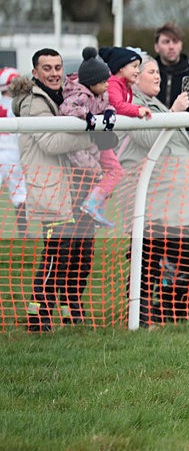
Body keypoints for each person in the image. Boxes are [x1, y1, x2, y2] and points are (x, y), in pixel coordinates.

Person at [11, 48, 108, 331]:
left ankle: (71, 311)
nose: (54, 73)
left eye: (57, 67)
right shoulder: (32, 103)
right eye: (47, 68)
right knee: (57, 256)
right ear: (35, 73)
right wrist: (94, 136)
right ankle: (38, 318)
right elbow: (51, 144)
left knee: (81, 253)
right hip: (51, 191)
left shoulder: (66, 96)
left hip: (76, 188)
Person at [116, 55, 189, 327]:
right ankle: (143, 317)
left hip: (176, 206)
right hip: (152, 205)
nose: (157, 76)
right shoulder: (131, 102)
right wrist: (174, 112)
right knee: (147, 265)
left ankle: (166, 313)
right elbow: (145, 137)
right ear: (135, 76)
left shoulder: (155, 104)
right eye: (151, 71)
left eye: (158, 72)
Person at [59, 47, 123, 228]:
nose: (107, 85)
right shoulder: (78, 95)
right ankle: (91, 206)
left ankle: (94, 208)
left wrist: (110, 113)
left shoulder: (100, 94)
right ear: (91, 82)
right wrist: (86, 115)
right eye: (103, 81)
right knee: (96, 173)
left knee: (100, 173)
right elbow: (66, 109)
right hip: (78, 147)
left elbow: (108, 104)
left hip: (92, 144)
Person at [153, 22, 189, 158]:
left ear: (181, 45)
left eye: (175, 41)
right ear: (157, 47)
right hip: (149, 144)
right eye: (166, 42)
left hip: (180, 150)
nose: (171, 46)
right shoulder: (147, 75)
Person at [0, 67, 28, 236]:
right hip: (13, 155)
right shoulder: (18, 106)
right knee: (20, 195)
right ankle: (23, 234)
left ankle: (23, 234)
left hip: (9, 154)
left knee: (20, 195)